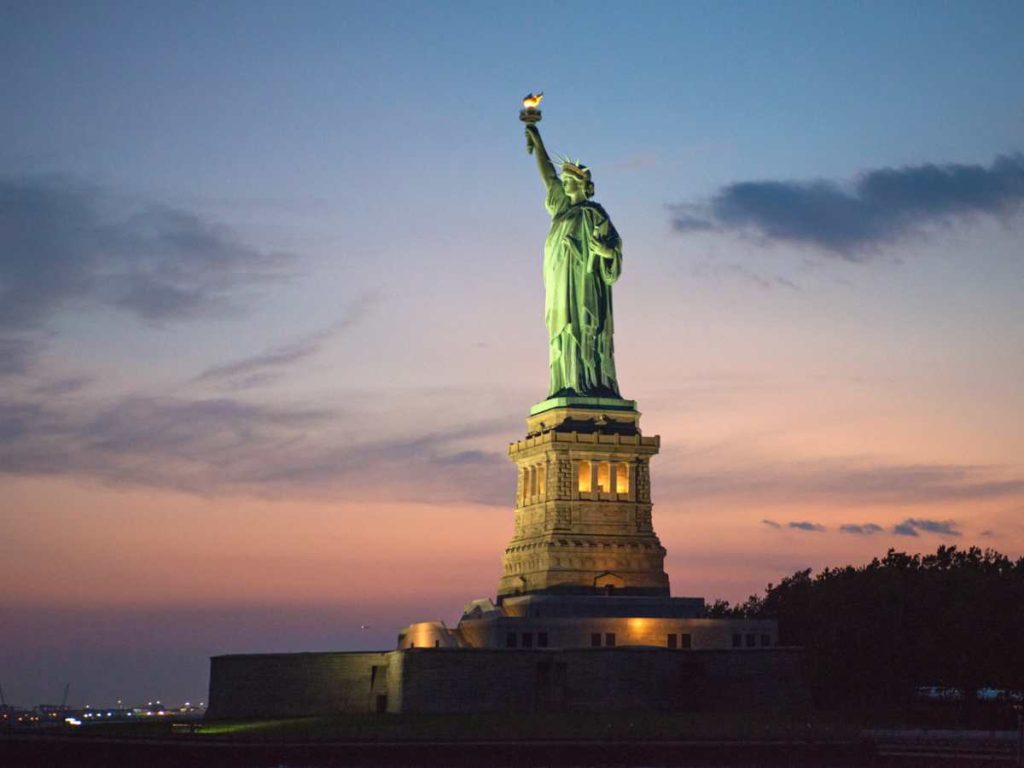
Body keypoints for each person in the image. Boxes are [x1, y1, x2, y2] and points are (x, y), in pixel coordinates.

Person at [525, 123, 622, 398]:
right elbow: (548, 178)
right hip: (558, 285)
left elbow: (614, 246)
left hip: (584, 286)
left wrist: (606, 253)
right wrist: (537, 140)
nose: (563, 183)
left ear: (581, 184)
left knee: (584, 330)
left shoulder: (594, 214)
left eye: (569, 181)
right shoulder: (562, 211)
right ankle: (565, 383)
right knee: (562, 334)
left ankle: (590, 383)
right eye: (564, 180)